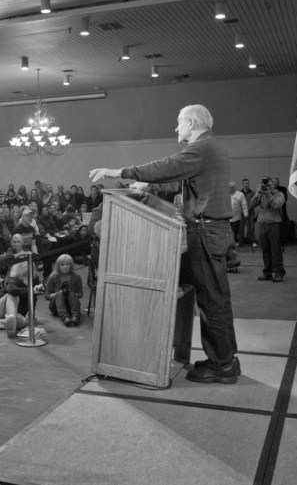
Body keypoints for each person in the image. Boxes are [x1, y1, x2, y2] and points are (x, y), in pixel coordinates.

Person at [89, 104, 240, 384]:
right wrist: (145, 187)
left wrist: (120, 171)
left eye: (179, 122)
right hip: (212, 230)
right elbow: (179, 178)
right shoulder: (211, 148)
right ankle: (225, 358)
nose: (176, 128)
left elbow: (168, 167)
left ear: (193, 123)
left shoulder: (202, 147)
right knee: (216, 299)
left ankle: (222, 365)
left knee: (211, 301)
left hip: (206, 231)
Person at [249, 177, 286, 282]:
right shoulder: (261, 195)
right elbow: (251, 206)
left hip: (274, 225)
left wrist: (268, 194)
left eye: (269, 185)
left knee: (276, 251)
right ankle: (267, 273)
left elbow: (276, 206)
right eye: (266, 185)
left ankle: (279, 273)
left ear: (273, 185)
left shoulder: (280, 194)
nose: (267, 187)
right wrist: (257, 194)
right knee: (265, 251)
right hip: (263, 225)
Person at [44, 254, 83, 327]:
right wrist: (59, 293)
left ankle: (76, 316)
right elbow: (47, 296)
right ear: (58, 266)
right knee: (60, 294)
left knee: (70, 293)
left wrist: (71, 293)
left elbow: (80, 294)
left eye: (67, 264)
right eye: (62, 265)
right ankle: (65, 317)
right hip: (56, 306)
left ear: (71, 265)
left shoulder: (76, 277)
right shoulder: (53, 277)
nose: (65, 267)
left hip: (71, 305)